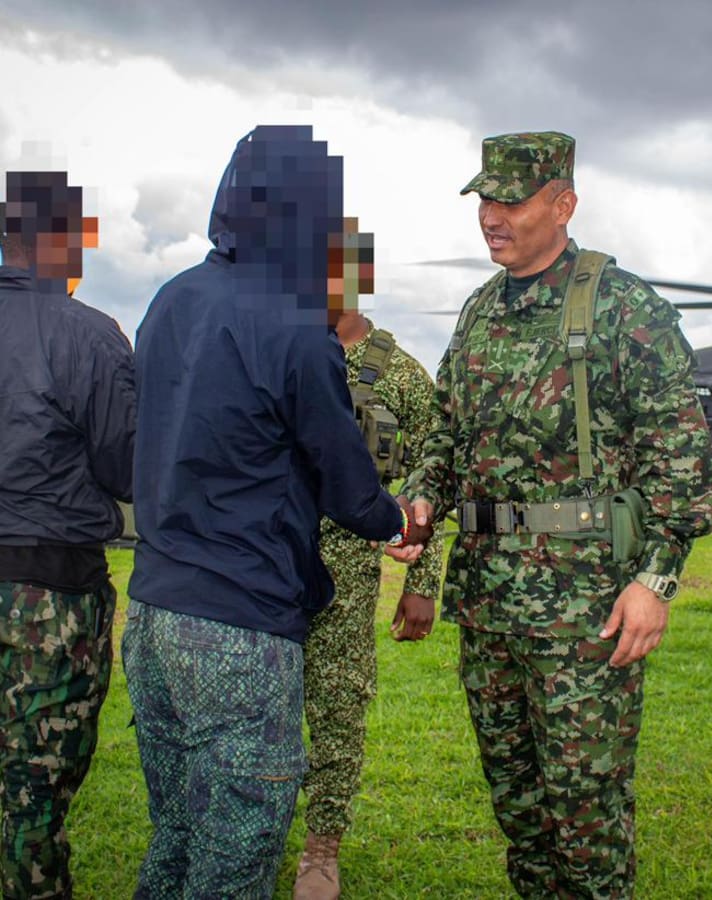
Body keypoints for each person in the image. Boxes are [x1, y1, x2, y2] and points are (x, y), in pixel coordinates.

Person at [397, 131, 712, 898]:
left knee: (586, 814)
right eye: (485, 200)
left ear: (563, 203)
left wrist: (658, 581)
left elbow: (683, 463)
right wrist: (422, 496)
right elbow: (447, 430)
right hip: (490, 608)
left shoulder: (622, 307)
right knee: (520, 811)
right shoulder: (479, 311)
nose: (491, 216)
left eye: (511, 200)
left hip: (584, 612)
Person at [123, 125, 429, 898]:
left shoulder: (170, 301)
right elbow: (344, 475)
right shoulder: (297, 324)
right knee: (234, 859)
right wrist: (396, 525)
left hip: (153, 617)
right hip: (239, 629)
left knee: (177, 838)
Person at [0, 170, 134, 899]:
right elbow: (126, 468)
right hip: (48, 596)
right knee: (34, 793)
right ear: (63, 243)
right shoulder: (87, 334)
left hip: (46, 573)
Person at [293, 308, 445, 900]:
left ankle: (321, 849)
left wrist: (422, 580)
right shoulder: (288, 350)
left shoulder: (401, 375)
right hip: (272, 561)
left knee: (337, 706)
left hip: (351, 570)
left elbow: (435, 473)